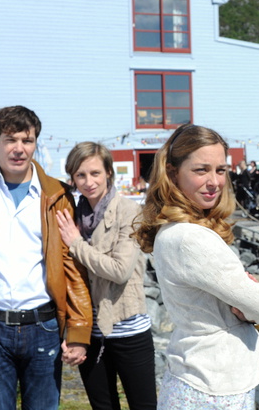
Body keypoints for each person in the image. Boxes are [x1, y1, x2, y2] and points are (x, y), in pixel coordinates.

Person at [0, 105, 92, 409]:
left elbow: (72, 267)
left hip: (43, 328)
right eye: (10, 139)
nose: (19, 149)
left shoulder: (57, 195)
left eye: (27, 141)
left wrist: (79, 329)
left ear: (35, 143)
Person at [132, 124, 259, 409]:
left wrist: (244, 298)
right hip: (213, 385)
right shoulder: (190, 238)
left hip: (197, 374)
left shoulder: (173, 230)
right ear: (173, 173)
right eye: (201, 170)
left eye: (221, 170)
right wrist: (257, 292)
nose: (214, 181)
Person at [56, 142, 157, 410]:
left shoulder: (129, 211)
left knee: (143, 406)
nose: (89, 182)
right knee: (102, 407)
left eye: (95, 173)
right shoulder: (73, 214)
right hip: (89, 332)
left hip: (129, 329)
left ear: (109, 173)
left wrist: (77, 243)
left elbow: (120, 270)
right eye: (81, 175)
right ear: (73, 179)